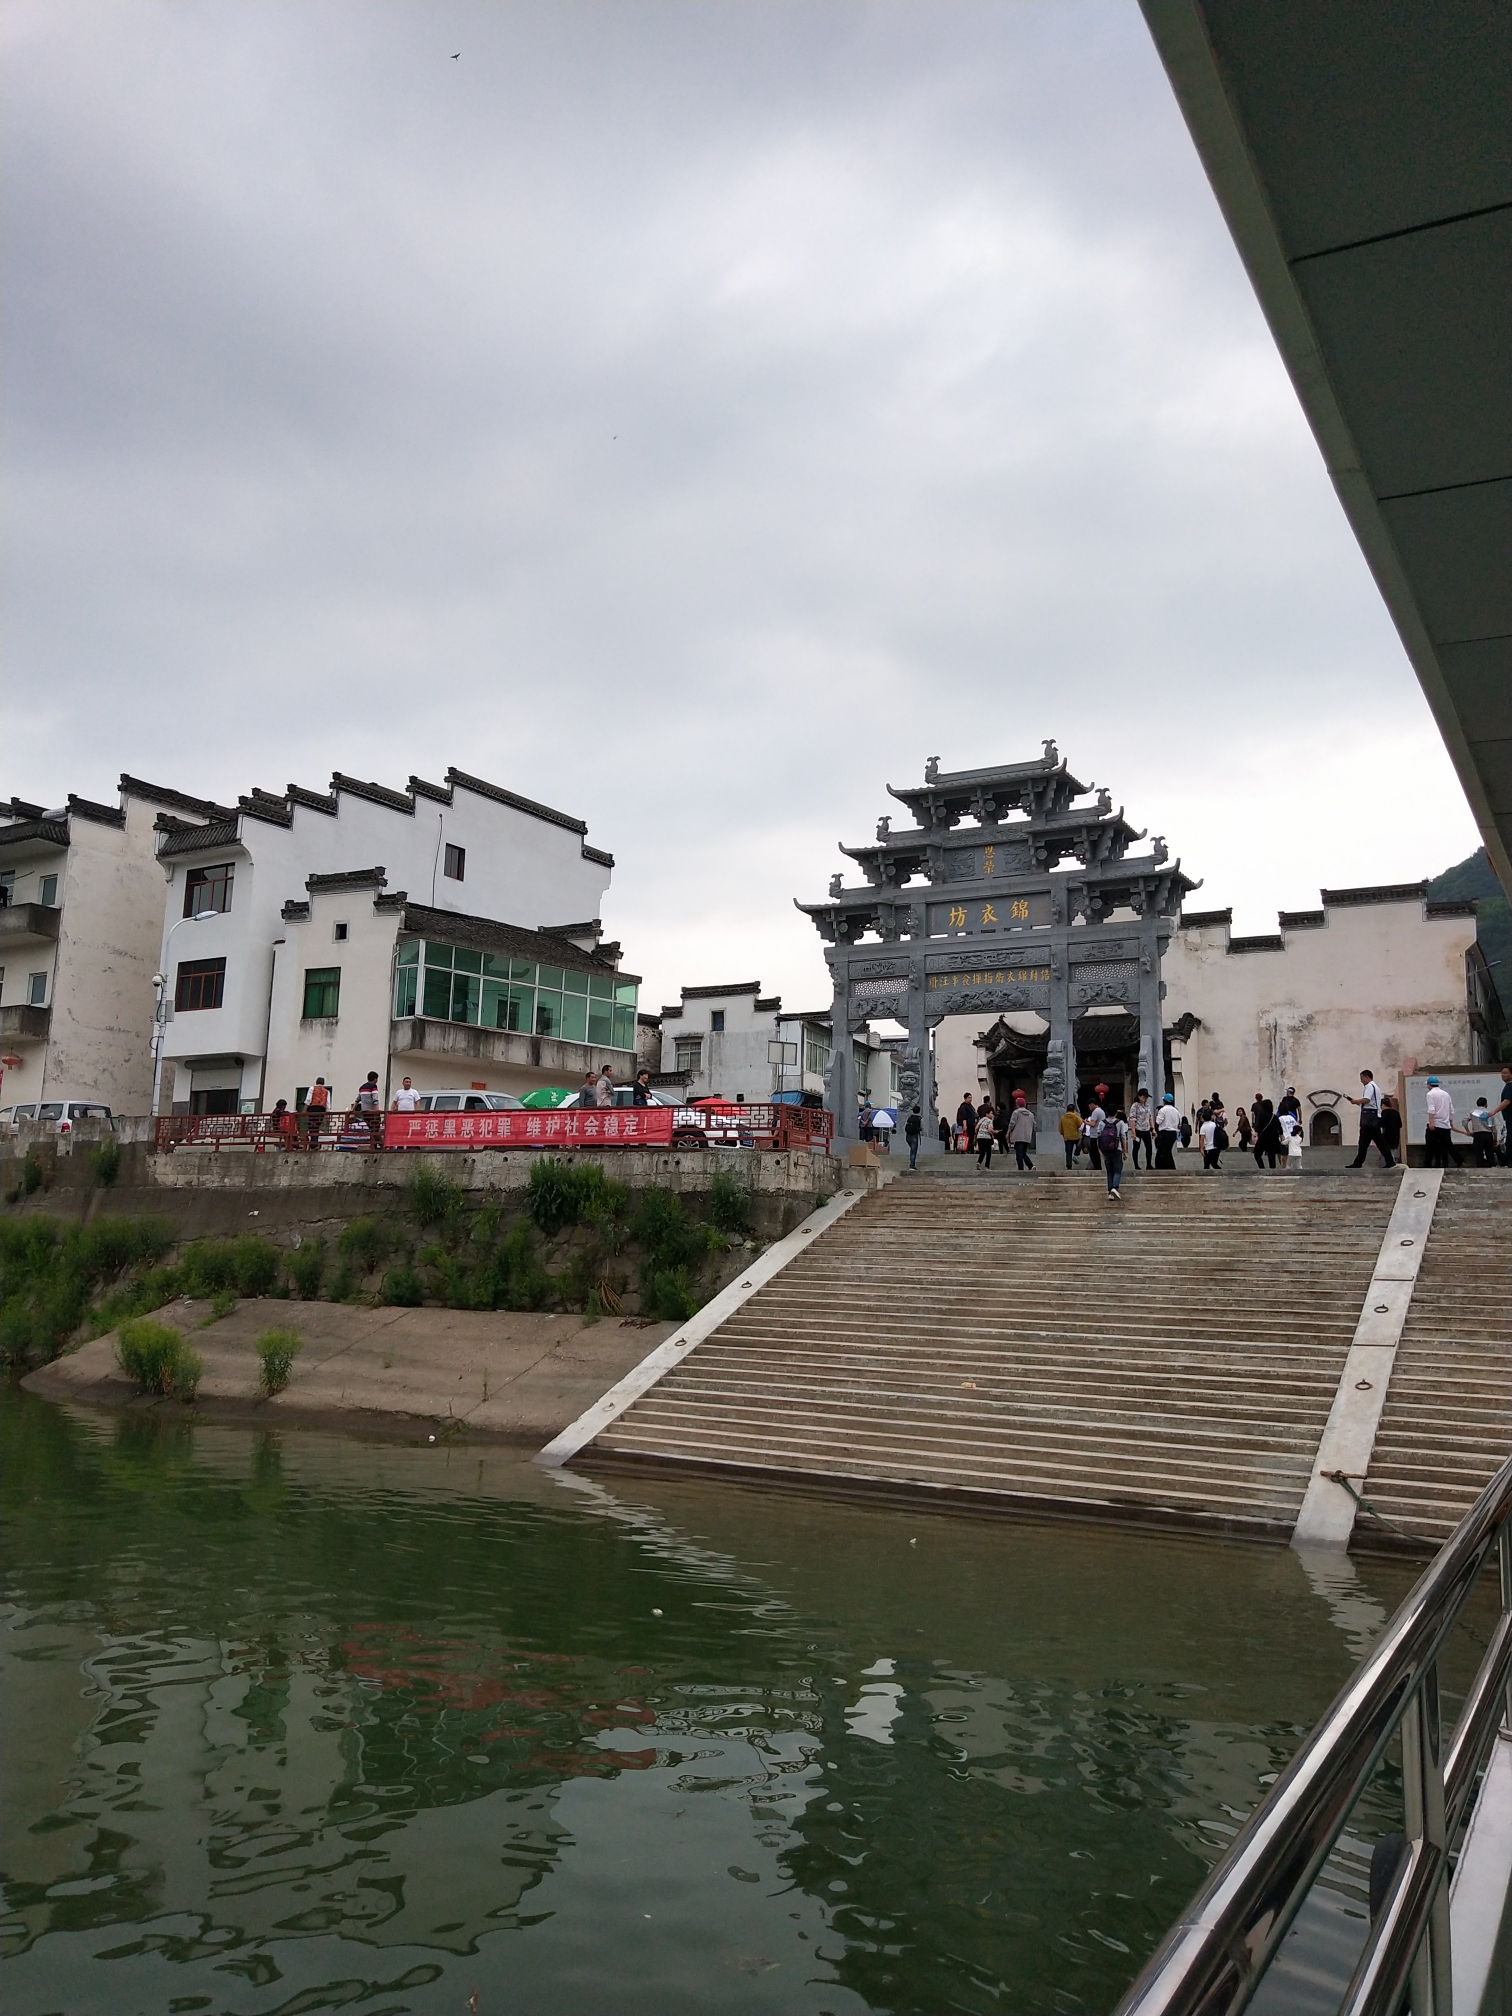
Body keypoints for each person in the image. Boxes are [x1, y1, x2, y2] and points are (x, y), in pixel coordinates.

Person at [1347, 1068, 1392, 1168]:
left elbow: (1366, 1099)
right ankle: (1359, 1161)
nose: (1361, 1080)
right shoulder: (1375, 1087)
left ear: (1367, 1077)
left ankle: (1359, 1162)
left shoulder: (1369, 1086)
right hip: (1373, 1115)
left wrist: (1356, 1101)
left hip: (1369, 1116)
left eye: (1362, 1078)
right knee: (1371, 1140)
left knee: (1367, 1140)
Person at [1424, 1075, 1455, 1167]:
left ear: (1429, 1085)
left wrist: (1431, 1123)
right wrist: (1451, 1121)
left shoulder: (1430, 1094)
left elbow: (1431, 1109)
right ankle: (1449, 1162)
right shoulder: (1446, 1094)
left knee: (1430, 1146)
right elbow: (1451, 1109)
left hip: (1436, 1124)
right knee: (1446, 1145)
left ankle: (1428, 1164)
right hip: (1445, 1124)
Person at [1101, 1107, 1126, 1199]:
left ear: (1106, 1112)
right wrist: (1125, 1151)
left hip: (1106, 1150)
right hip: (1117, 1149)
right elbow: (1123, 1137)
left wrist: (1100, 1151)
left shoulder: (1102, 1123)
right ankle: (1115, 1188)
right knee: (1117, 1170)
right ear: (1116, 1113)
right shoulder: (1120, 1123)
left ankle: (1110, 1192)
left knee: (1109, 1171)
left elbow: (1099, 1138)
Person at [1006, 1093, 1035, 1171]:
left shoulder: (1016, 1113)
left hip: (1018, 1135)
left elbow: (1012, 1123)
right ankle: (1030, 1166)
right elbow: (1033, 1124)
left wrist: (1008, 1132)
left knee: (1019, 1153)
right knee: (1023, 1152)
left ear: (1017, 1104)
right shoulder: (1031, 1114)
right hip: (1027, 1136)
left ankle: (1022, 1168)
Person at [1465, 1096, 1496, 1168]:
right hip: (1488, 1135)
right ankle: (1490, 1166)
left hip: (1478, 1134)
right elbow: (1493, 1127)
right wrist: (1495, 1138)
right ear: (1486, 1104)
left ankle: (1479, 1167)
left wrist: (1468, 1131)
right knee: (1489, 1152)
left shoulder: (1472, 1112)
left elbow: (1464, 1121)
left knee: (1478, 1152)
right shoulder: (1489, 1113)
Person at [1128, 1088, 1155, 1170]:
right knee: (1136, 1148)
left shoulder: (1147, 1106)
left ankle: (1149, 1164)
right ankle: (1136, 1164)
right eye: (1144, 1097)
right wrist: (1133, 1131)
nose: (1145, 1099)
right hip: (1138, 1129)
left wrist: (1153, 1128)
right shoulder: (1135, 1106)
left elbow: (1150, 1117)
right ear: (1139, 1096)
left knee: (1149, 1147)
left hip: (1146, 1129)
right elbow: (1132, 1119)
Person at [1253, 1097, 1281, 1170]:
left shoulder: (1261, 1116)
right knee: (1271, 1156)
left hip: (1263, 1138)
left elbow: (1258, 1127)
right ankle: (1272, 1170)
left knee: (1257, 1154)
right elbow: (1279, 1128)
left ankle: (1262, 1168)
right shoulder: (1274, 1117)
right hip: (1273, 1139)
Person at [355, 1070, 383, 1147]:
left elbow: (358, 1099)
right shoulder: (374, 1087)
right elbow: (375, 1099)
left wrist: (352, 1109)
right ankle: (382, 1146)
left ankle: (374, 1146)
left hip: (365, 1113)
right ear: (375, 1079)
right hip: (372, 1112)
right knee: (376, 1130)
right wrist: (377, 1109)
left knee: (372, 1130)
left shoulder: (362, 1087)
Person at [1154, 1093, 1181, 1168]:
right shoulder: (1176, 1111)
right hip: (1173, 1132)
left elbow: (1158, 1122)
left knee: (1165, 1151)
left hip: (1165, 1132)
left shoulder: (1163, 1110)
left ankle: (1171, 1167)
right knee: (1165, 1150)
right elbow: (1178, 1123)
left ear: (1164, 1101)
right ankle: (1160, 1166)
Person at [1081, 1095, 1106, 1172]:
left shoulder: (1095, 1112)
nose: (1089, 1108)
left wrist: (1085, 1122)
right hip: (1100, 1133)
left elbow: (1093, 1124)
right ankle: (1097, 1166)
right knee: (1096, 1152)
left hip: (1094, 1135)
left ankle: (1097, 1166)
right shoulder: (1101, 1111)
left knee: (1093, 1152)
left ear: (1092, 1104)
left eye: (1089, 1106)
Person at [304, 1075, 329, 1148]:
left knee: (311, 1125)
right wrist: (327, 1115)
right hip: (321, 1109)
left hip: (313, 1108)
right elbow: (327, 1104)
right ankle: (315, 1142)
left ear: (316, 1082)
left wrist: (305, 1109)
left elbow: (308, 1100)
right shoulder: (326, 1091)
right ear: (323, 1083)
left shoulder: (312, 1088)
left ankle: (313, 1143)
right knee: (317, 1126)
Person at [1379, 1093, 1404, 1166]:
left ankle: (1388, 1164)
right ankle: (1392, 1163)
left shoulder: (1384, 1113)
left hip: (1387, 1134)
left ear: (1383, 1105)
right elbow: (1400, 1124)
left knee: (1386, 1151)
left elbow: (1381, 1123)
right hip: (1396, 1134)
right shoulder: (1396, 1112)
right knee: (1392, 1151)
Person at [1058, 1104, 1082, 1169]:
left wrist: (1063, 1134)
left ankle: (1069, 1166)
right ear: (1073, 1110)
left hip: (1067, 1137)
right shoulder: (1076, 1117)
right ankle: (1076, 1154)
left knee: (1068, 1152)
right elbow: (1081, 1125)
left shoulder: (1063, 1118)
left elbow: (1060, 1129)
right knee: (1080, 1145)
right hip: (1076, 1136)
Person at [975, 1101, 996, 1170]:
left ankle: (979, 1162)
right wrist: (994, 1132)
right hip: (986, 1137)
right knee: (988, 1152)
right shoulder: (990, 1121)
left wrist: (977, 1134)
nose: (992, 1115)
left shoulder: (981, 1119)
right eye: (991, 1113)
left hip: (979, 1137)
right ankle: (987, 1166)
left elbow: (976, 1128)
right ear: (987, 1114)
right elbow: (990, 1130)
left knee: (982, 1152)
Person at [904, 1103, 923, 1168]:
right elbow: (922, 1127)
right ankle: (912, 1165)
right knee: (913, 1150)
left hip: (908, 1135)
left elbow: (906, 1126)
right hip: (915, 1135)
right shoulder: (920, 1119)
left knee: (912, 1149)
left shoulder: (910, 1118)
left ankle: (911, 1161)